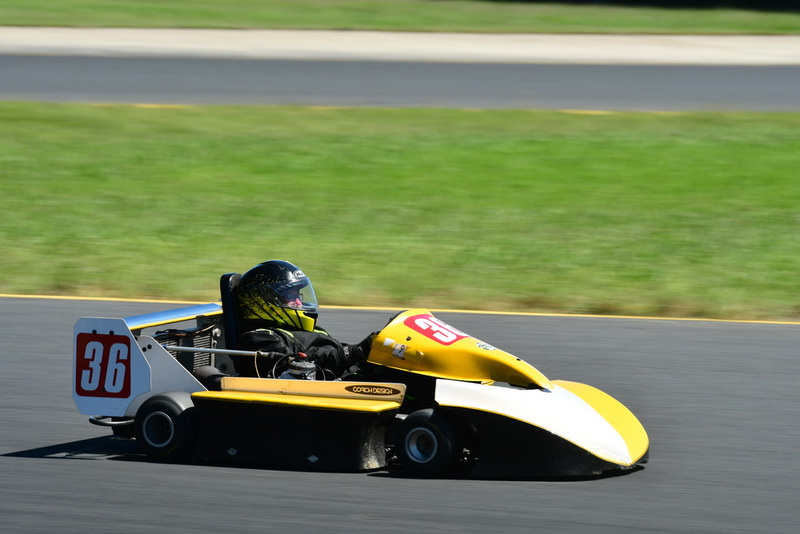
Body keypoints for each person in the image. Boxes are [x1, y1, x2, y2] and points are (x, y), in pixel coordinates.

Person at [231, 260, 375, 379]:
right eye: (291, 297)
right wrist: (352, 352)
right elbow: (300, 365)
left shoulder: (311, 331)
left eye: (298, 296)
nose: (299, 303)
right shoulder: (258, 339)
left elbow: (334, 350)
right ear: (266, 302)